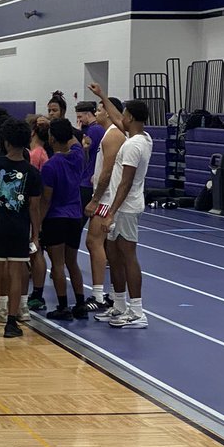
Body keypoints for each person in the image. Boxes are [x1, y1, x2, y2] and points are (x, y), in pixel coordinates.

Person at [0, 117, 42, 339]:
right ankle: (12, 323)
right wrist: (36, 234)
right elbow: (34, 207)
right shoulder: (32, 172)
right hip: (19, 229)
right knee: (16, 274)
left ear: (5, 141)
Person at [93, 98, 153, 330]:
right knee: (113, 254)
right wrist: (104, 96)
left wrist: (111, 212)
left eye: (124, 114)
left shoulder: (133, 146)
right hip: (117, 207)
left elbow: (125, 183)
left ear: (131, 118)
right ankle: (119, 305)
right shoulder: (140, 137)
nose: (121, 118)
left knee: (128, 256)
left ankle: (137, 311)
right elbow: (117, 120)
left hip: (125, 208)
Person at [39, 118, 88, 321]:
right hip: (75, 216)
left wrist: (38, 223)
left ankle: (62, 306)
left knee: (57, 264)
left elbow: (46, 199)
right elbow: (76, 141)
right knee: (72, 262)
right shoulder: (78, 156)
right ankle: (80, 304)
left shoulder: (50, 166)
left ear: (51, 139)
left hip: (56, 218)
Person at [84, 90, 126, 315]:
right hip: (110, 196)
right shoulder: (113, 134)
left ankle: (99, 295)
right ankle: (111, 295)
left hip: (107, 198)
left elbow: (108, 171)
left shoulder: (112, 136)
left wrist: (95, 199)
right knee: (110, 246)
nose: (97, 113)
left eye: (100, 109)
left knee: (94, 242)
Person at [76, 100, 106, 212]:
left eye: (80, 117)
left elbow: (85, 154)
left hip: (88, 178)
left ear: (88, 114)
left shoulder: (94, 130)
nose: (79, 120)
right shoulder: (95, 129)